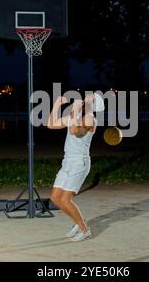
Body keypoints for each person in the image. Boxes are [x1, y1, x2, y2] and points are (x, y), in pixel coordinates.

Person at [47, 92, 105, 242]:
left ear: (93, 104)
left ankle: (84, 229)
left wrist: (75, 111)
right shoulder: (77, 116)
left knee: (65, 200)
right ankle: (78, 223)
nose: (87, 96)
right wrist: (57, 104)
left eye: (91, 97)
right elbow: (51, 124)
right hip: (68, 161)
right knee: (55, 198)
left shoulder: (90, 119)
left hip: (80, 162)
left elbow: (75, 131)